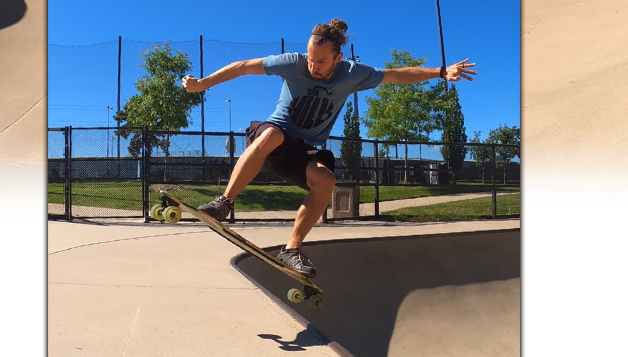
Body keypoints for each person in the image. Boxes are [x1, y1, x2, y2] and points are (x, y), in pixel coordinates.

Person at [181, 18, 476, 277]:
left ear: (338, 57)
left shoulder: (354, 73)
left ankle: (292, 249)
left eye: (320, 62)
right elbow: (244, 67)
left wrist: (440, 72)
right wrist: (203, 84)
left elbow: (397, 74)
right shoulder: (292, 63)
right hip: (271, 137)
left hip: (304, 150)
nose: (313, 67)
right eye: (310, 59)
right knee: (273, 135)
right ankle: (224, 203)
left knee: (327, 181)